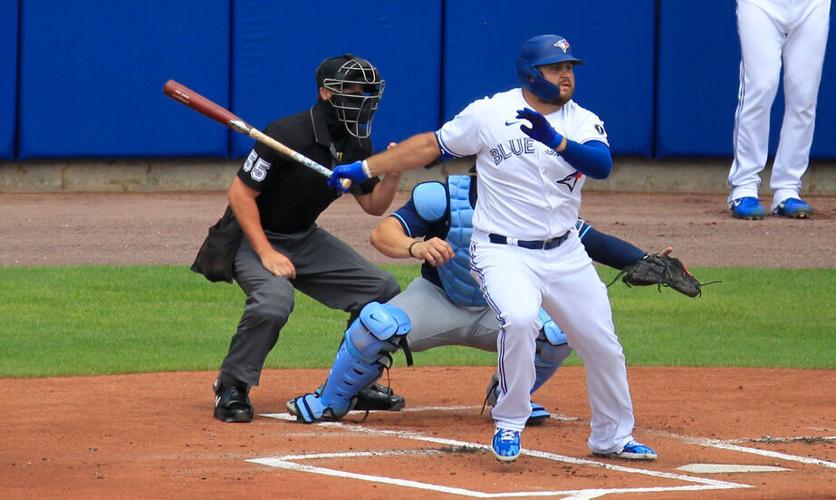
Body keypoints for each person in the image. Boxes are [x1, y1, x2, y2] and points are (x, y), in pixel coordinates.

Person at [326, 34, 656, 463]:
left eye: (570, 67)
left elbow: (602, 165)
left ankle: (612, 437)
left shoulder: (582, 121)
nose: (566, 75)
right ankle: (510, 421)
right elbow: (430, 145)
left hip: (565, 252)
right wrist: (365, 166)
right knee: (520, 321)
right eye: (556, 68)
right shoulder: (490, 113)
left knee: (602, 343)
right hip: (502, 251)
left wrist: (555, 140)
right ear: (530, 74)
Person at [286, 172, 681, 427]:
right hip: (438, 300)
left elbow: (592, 241)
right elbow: (382, 234)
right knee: (377, 325)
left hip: (501, 310)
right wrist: (414, 247)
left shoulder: (538, 205)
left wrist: (642, 260)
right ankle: (331, 400)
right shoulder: (442, 196)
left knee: (558, 332)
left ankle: (511, 397)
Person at [209, 54, 402, 423]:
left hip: (303, 237)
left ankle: (354, 382)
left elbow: (374, 205)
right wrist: (265, 252)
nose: (362, 98)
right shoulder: (286, 134)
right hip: (252, 237)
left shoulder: (356, 141)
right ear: (326, 94)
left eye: (367, 91)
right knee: (273, 302)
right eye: (352, 90)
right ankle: (232, 386)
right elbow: (240, 195)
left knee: (381, 290)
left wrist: (392, 173)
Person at [728, 0, 831, 220]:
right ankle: (744, 186)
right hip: (761, 4)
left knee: (804, 94)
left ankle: (787, 188)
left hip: (812, 5)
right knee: (761, 86)